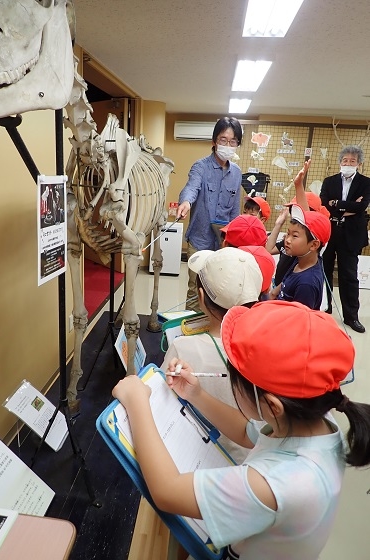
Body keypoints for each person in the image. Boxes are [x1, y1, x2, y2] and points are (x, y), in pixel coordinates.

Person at [112, 300, 370, 559]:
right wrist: (196, 393)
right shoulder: (314, 419)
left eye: (233, 376)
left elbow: (167, 491)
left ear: (272, 405)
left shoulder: (275, 484)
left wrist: (137, 403)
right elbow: (248, 432)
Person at [160, 247, 263, 463]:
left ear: (200, 297)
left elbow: (162, 404)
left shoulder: (182, 348)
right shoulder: (264, 350)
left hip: (192, 459)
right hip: (248, 462)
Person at [177, 116, 243, 311]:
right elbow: (191, 187)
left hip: (223, 244)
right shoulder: (201, 167)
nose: (228, 145)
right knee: (195, 290)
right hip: (199, 241)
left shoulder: (237, 173)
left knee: (219, 292)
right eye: (223, 140)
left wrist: (234, 243)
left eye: (233, 142)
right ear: (214, 142)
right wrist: (186, 202)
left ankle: (209, 333)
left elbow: (235, 211)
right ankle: (189, 332)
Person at [320, 145, 370, 333]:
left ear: (359, 163)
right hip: (329, 231)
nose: (348, 163)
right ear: (340, 162)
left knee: (349, 275)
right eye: (345, 160)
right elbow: (324, 203)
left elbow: (362, 206)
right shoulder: (329, 181)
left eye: (352, 161)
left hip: (352, 234)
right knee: (323, 271)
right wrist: (346, 206)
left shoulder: (366, 183)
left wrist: (337, 203)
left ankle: (351, 317)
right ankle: (324, 311)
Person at [269, 204, 331, 310]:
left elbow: (299, 322)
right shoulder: (300, 260)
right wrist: (271, 296)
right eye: (288, 234)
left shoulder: (307, 284)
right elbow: (282, 285)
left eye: (295, 236)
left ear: (314, 245)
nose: (287, 240)